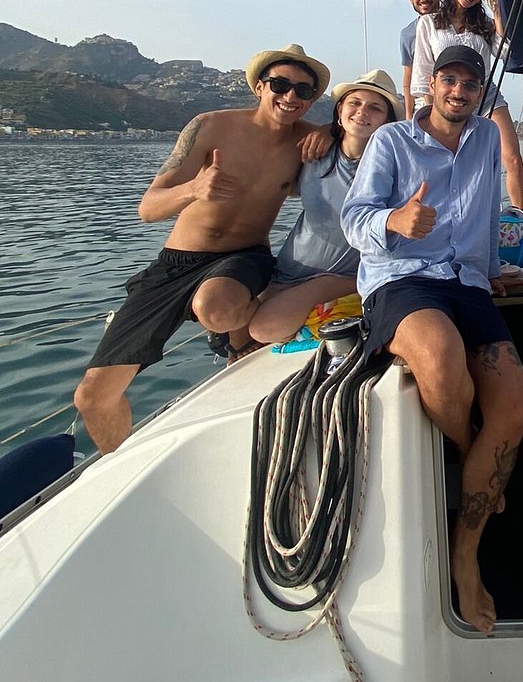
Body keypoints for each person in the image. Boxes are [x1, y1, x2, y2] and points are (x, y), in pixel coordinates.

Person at [341, 45, 523, 634]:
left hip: (467, 281)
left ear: (480, 93)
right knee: (444, 360)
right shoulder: (391, 141)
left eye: (470, 84)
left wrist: (492, 268)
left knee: (514, 405)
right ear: (431, 84)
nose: (459, 91)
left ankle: (464, 553)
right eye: (449, 79)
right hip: (401, 278)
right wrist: (394, 220)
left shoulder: (485, 139)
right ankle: (473, 457)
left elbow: (489, 210)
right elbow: (354, 218)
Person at [73, 43, 330, 453]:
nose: (290, 97)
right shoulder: (210, 127)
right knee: (92, 396)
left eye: (303, 91)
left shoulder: (310, 141)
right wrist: (193, 189)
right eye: (280, 85)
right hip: (176, 263)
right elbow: (148, 208)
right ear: (259, 87)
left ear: (312, 100)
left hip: (244, 257)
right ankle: (122, 463)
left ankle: (239, 336)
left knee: (216, 306)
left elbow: (364, 133)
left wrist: (331, 132)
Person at [249, 70, 401, 345]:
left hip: (340, 276)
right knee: (241, 325)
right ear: (340, 109)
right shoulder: (312, 151)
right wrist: (324, 130)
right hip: (289, 270)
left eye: (375, 108)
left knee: (263, 329)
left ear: (386, 122)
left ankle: (341, 296)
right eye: (355, 103)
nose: (362, 112)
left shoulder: (392, 168)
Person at [410, 0, 523, 210]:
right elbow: (423, 69)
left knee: (512, 157)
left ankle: (519, 213)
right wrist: (429, 110)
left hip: (483, 92)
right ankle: (437, 211)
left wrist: (497, 19)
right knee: (446, 161)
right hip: (446, 95)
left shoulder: (484, 24)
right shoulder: (429, 22)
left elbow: (505, 52)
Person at [399, 0, 440, 118]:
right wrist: (408, 115)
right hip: (423, 104)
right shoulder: (407, 34)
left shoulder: (454, 24)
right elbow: (408, 77)